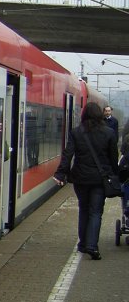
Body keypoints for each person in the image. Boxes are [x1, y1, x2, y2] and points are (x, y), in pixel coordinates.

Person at [53, 101, 119, 260]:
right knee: (96, 212)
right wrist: (114, 176)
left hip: (81, 179)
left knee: (83, 209)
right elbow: (113, 158)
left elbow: (68, 154)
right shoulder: (109, 132)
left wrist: (61, 174)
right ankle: (92, 245)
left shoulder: (76, 132)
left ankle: (83, 244)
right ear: (100, 114)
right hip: (100, 179)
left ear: (84, 115)